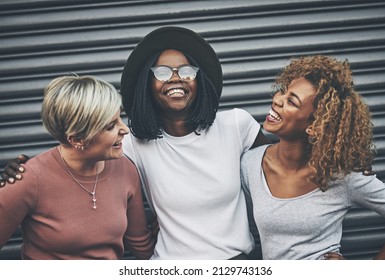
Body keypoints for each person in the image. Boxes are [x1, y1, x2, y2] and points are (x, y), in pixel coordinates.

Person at [0, 26, 269, 260]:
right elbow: (74, 153)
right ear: (147, 84)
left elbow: (282, 168)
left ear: (199, 79)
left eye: (186, 70)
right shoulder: (132, 143)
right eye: (162, 72)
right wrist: (23, 169)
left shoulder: (236, 125)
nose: (176, 78)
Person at [240, 55, 385, 260]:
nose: (277, 100)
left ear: (315, 126)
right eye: (282, 91)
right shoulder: (250, 164)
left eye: (291, 101)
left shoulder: (342, 177)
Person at [0, 74, 154, 259]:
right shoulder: (28, 179)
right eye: (110, 126)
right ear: (77, 139)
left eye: (120, 118)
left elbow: (141, 245)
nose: (125, 129)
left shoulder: (125, 169)